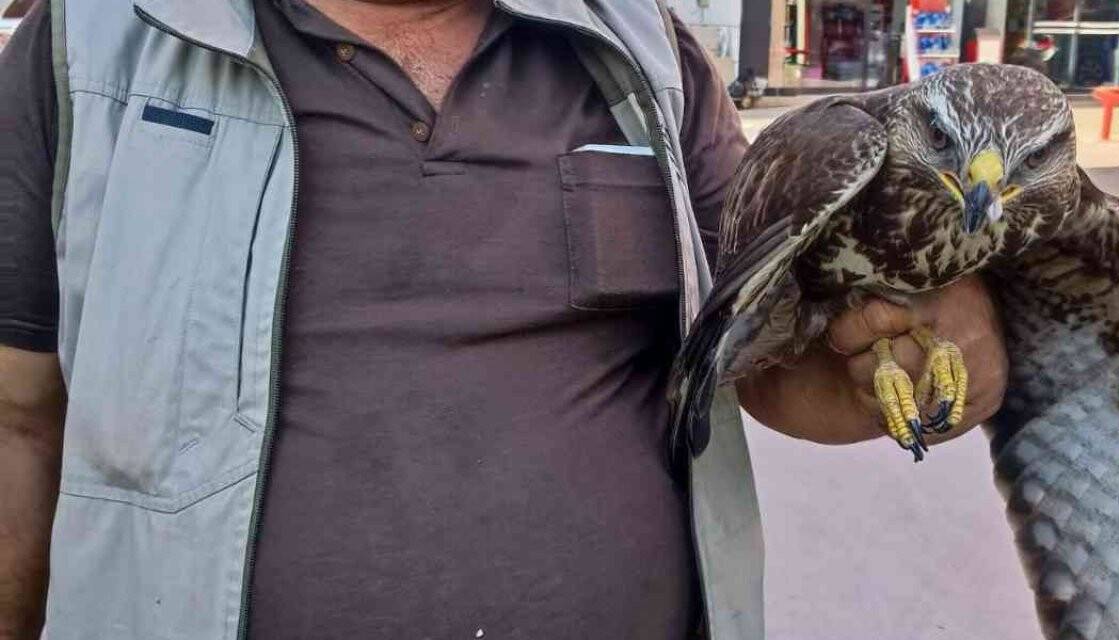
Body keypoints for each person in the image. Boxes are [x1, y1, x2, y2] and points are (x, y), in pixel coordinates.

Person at [0, 1, 1007, 638]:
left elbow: (760, 354)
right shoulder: (90, 50)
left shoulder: (649, 56)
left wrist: (898, 359)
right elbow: (18, 419)